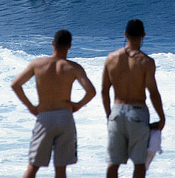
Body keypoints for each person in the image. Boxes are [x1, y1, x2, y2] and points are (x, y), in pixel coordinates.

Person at [11, 30, 96, 178]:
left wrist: (31, 106)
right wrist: (78, 105)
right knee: (61, 169)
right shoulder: (73, 67)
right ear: (69, 46)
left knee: (33, 166)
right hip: (65, 117)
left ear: (52, 43)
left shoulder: (37, 64)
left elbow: (16, 85)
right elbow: (91, 91)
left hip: (45, 116)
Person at [101, 19, 165, 178]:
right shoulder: (146, 61)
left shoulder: (111, 58)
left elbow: (104, 91)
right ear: (143, 35)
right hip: (138, 113)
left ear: (125, 34)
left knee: (113, 163)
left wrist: (109, 115)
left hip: (117, 112)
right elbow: (153, 92)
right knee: (139, 163)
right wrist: (162, 117)